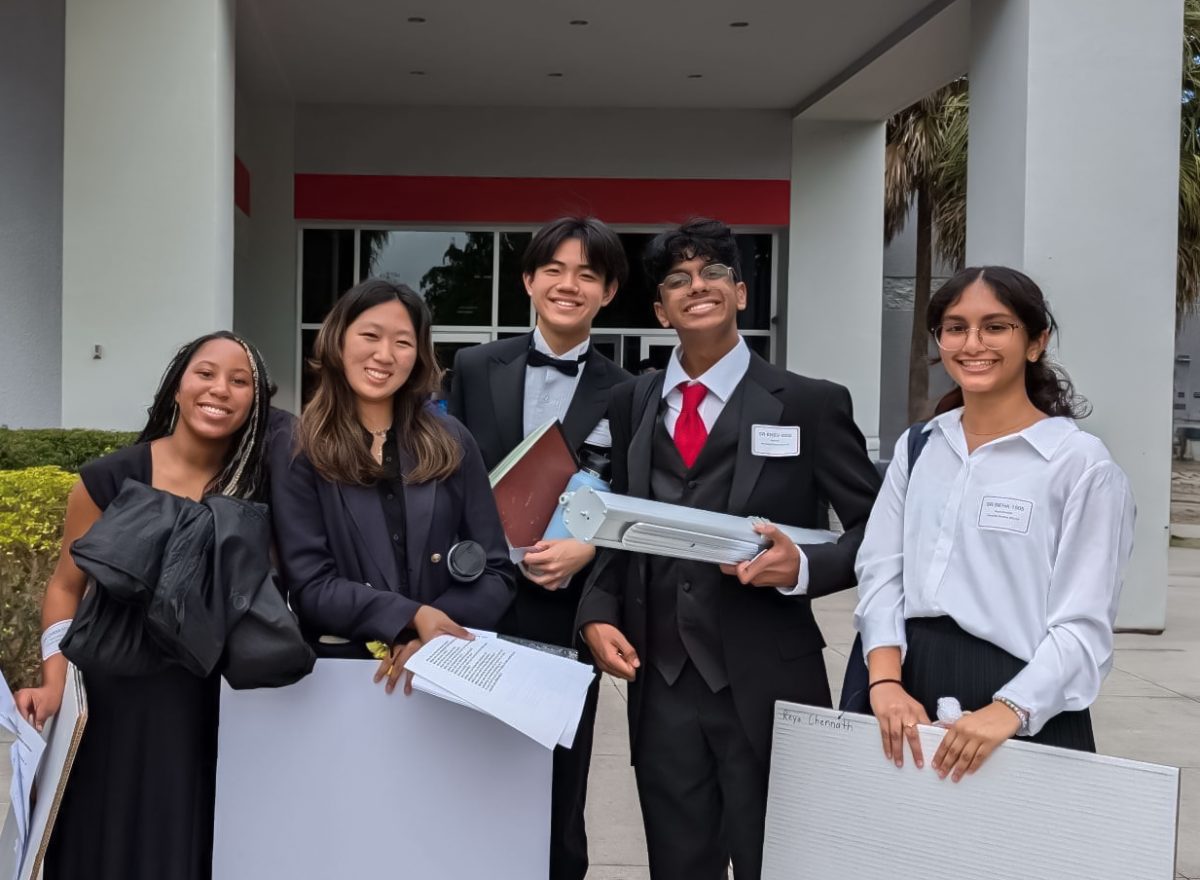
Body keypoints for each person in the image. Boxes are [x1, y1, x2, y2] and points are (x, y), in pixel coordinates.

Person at [576, 218, 881, 880]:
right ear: (660, 309)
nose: (698, 286)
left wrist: (803, 566)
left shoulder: (808, 403)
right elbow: (616, 527)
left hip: (767, 676)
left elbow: (881, 532)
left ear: (741, 293)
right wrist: (596, 612)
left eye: (714, 272)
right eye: (679, 278)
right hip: (660, 684)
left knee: (782, 861)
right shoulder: (631, 401)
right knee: (678, 867)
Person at [854, 266, 1136, 782]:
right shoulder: (919, 447)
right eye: (955, 327)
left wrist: (1010, 710)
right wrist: (884, 684)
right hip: (902, 688)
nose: (973, 343)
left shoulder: (1079, 464)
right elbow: (880, 573)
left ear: (1035, 342)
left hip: (1023, 703)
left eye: (996, 326)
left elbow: (1083, 624)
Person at [15, 330, 274, 880]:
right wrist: (56, 679)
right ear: (177, 386)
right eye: (205, 373)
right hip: (109, 704)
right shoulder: (110, 478)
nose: (220, 389)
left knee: (186, 846)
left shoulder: (259, 490)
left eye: (239, 380)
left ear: (256, 401)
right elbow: (65, 586)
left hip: (207, 706)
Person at [448, 216, 630, 880]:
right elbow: (448, 476)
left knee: (560, 771)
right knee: (471, 761)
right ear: (528, 280)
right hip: (476, 602)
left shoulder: (631, 389)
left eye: (587, 274)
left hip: (564, 603)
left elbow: (632, 498)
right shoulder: (473, 366)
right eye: (554, 269)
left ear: (608, 292)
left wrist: (591, 549)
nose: (568, 284)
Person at [270, 278, 514, 688]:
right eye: (370, 335)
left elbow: (496, 571)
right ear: (339, 340)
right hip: (341, 679)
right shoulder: (300, 448)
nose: (384, 355)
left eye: (403, 342)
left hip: (449, 668)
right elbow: (311, 586)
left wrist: (432, 636)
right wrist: (410, 619)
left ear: (418, 355)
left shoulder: (452, 441)